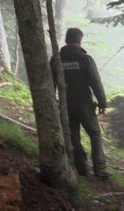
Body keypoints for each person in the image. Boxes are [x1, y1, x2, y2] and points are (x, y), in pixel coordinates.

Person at [50, 27, 111, 178]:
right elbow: (95, 82)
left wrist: (54, 102)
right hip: (85, 105)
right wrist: (102, 102)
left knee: (74, 137)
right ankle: (100, 169)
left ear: (66, 40)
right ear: (80, 40)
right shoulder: (85, 59)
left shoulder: (56, 59)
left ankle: (82, 168)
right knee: (95, 134)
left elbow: (51, 83)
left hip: (66, 105)